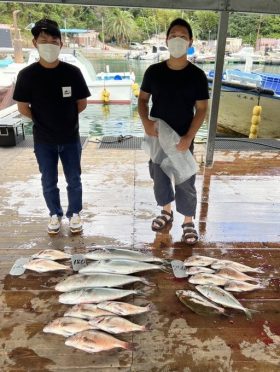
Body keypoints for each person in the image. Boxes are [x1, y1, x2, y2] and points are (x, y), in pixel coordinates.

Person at [13, 19, 91, 234]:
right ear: (35, 43)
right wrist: (43, 122)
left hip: (70, 138)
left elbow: (81, 104)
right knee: (49, 180)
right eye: (43, 40)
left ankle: (74, 213)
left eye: (53, 40)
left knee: (74, 179)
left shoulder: (72, 72)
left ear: (61, 44)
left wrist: (65, 122)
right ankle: (54, 214)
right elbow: (22, 107)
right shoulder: (27, 75)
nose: (49, 44)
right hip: (43, 140)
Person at [138, 18, 209, 245]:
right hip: (158, 136)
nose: (178, 40)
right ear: (166, 40)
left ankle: (188, 221)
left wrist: (189, 137)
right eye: (174, 36)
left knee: (185, 179)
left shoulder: (197, 75)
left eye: (183, 37)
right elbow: (142, 100)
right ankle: (166, 211)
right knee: (159, 177)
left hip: (182, 138)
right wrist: (146, 122)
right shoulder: (153, 71)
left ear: (190, 41)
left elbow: (202, 108)